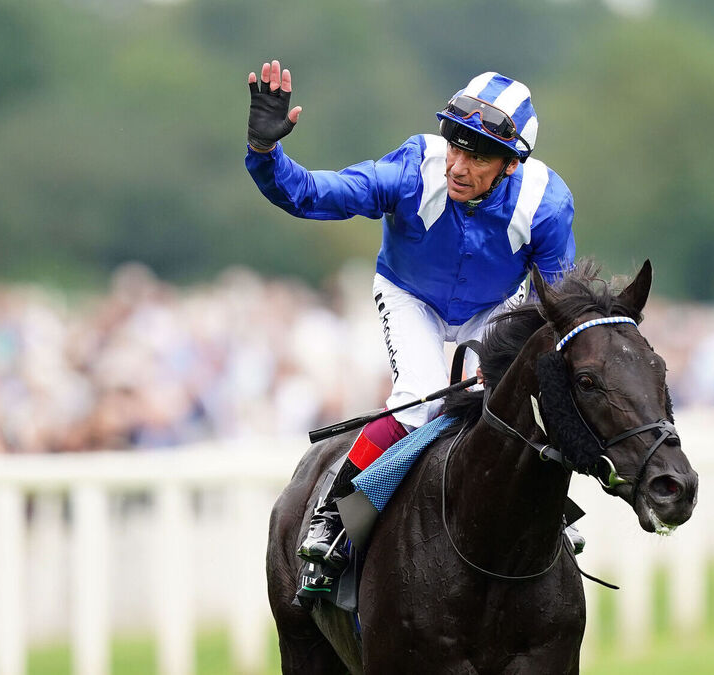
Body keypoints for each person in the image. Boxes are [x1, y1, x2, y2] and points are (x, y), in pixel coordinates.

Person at [245, 59, 576, 589]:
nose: (458, 166)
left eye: (479, 156)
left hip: (495, 308)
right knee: (420, 399)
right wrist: (265, 153)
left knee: (511, 400)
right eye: (456, 145)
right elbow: (312, 194)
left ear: (512, 164)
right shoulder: (412, 168)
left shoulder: (548, 206)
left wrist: (518, 363)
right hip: (409, 294)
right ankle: (334, 513)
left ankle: (550, 513)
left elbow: (553, 305)